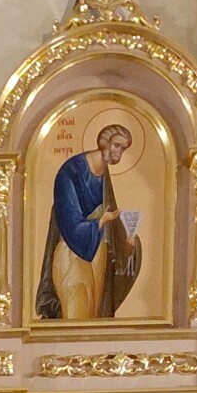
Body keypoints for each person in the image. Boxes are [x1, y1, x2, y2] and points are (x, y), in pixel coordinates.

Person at [35, 123, 141, 322]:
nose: (119, 153)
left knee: (93, 318)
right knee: (76, 317)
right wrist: (100, 221)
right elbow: (69, 223)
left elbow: (112, 230)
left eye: (123, 149)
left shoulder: (104, 176)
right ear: (104, 142)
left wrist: (128, 244)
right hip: (71, 254)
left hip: (97, 255)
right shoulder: (71, 171)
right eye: (117, 145)